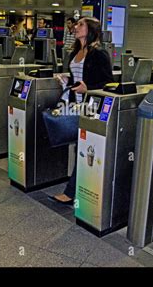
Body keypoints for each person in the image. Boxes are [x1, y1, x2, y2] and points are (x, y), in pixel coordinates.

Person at [49, 17, 114, 204]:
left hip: (89, 107)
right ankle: (80, 188)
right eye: (76, 25)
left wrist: (89, 88)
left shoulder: (99, 53)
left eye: (81, 25)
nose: (76, 27)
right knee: (80, 148)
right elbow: (77, 77)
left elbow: (108, 83)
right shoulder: (75, 51)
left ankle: (71, 192)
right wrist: (67, 80)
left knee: (83, 148)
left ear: (91, 29)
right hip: (74, 105)